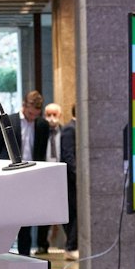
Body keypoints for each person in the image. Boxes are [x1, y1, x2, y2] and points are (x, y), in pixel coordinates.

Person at [0, 91, 55, 254]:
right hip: (10, 177)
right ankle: (3, 253)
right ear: (24, 106)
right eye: (29, 113)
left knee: (26, 222)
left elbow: (41, 152)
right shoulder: (9, 122)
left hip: (30, 178)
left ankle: (24, 256)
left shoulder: (42, 125)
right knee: (8, 219)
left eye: (35, 115)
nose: (32, 117)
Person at [45, 102, 77, 253]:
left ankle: (69, 244)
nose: (51, 118)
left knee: (67, 211)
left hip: (62, 176)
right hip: (45, 176)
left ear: (60, 115)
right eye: (48, 115)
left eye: (54, 115)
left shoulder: (64, 130)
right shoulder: (41, 132)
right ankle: (43, 244)